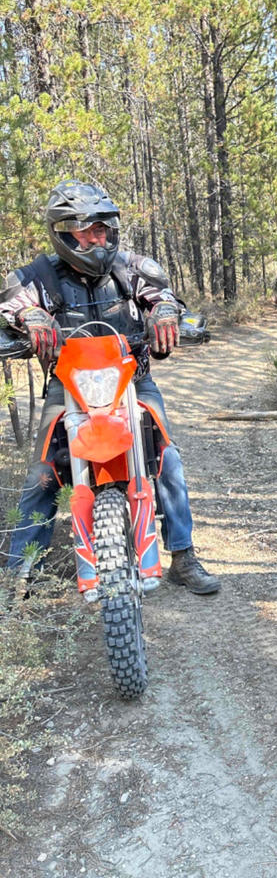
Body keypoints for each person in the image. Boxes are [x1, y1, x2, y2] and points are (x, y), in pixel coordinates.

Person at [0, 180, 220, 594]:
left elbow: (164, 296)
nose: (99, 238)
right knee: (43, 474)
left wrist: (165, 312)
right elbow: (10, 304)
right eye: (88, 230)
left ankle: (184, 555)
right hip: (68, 388)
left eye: (103, 229)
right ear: (64, 232)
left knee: (168, 459)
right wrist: (29, 316)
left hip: (132, 382)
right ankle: (19, 574)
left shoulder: (131, 267)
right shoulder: (37, 277)